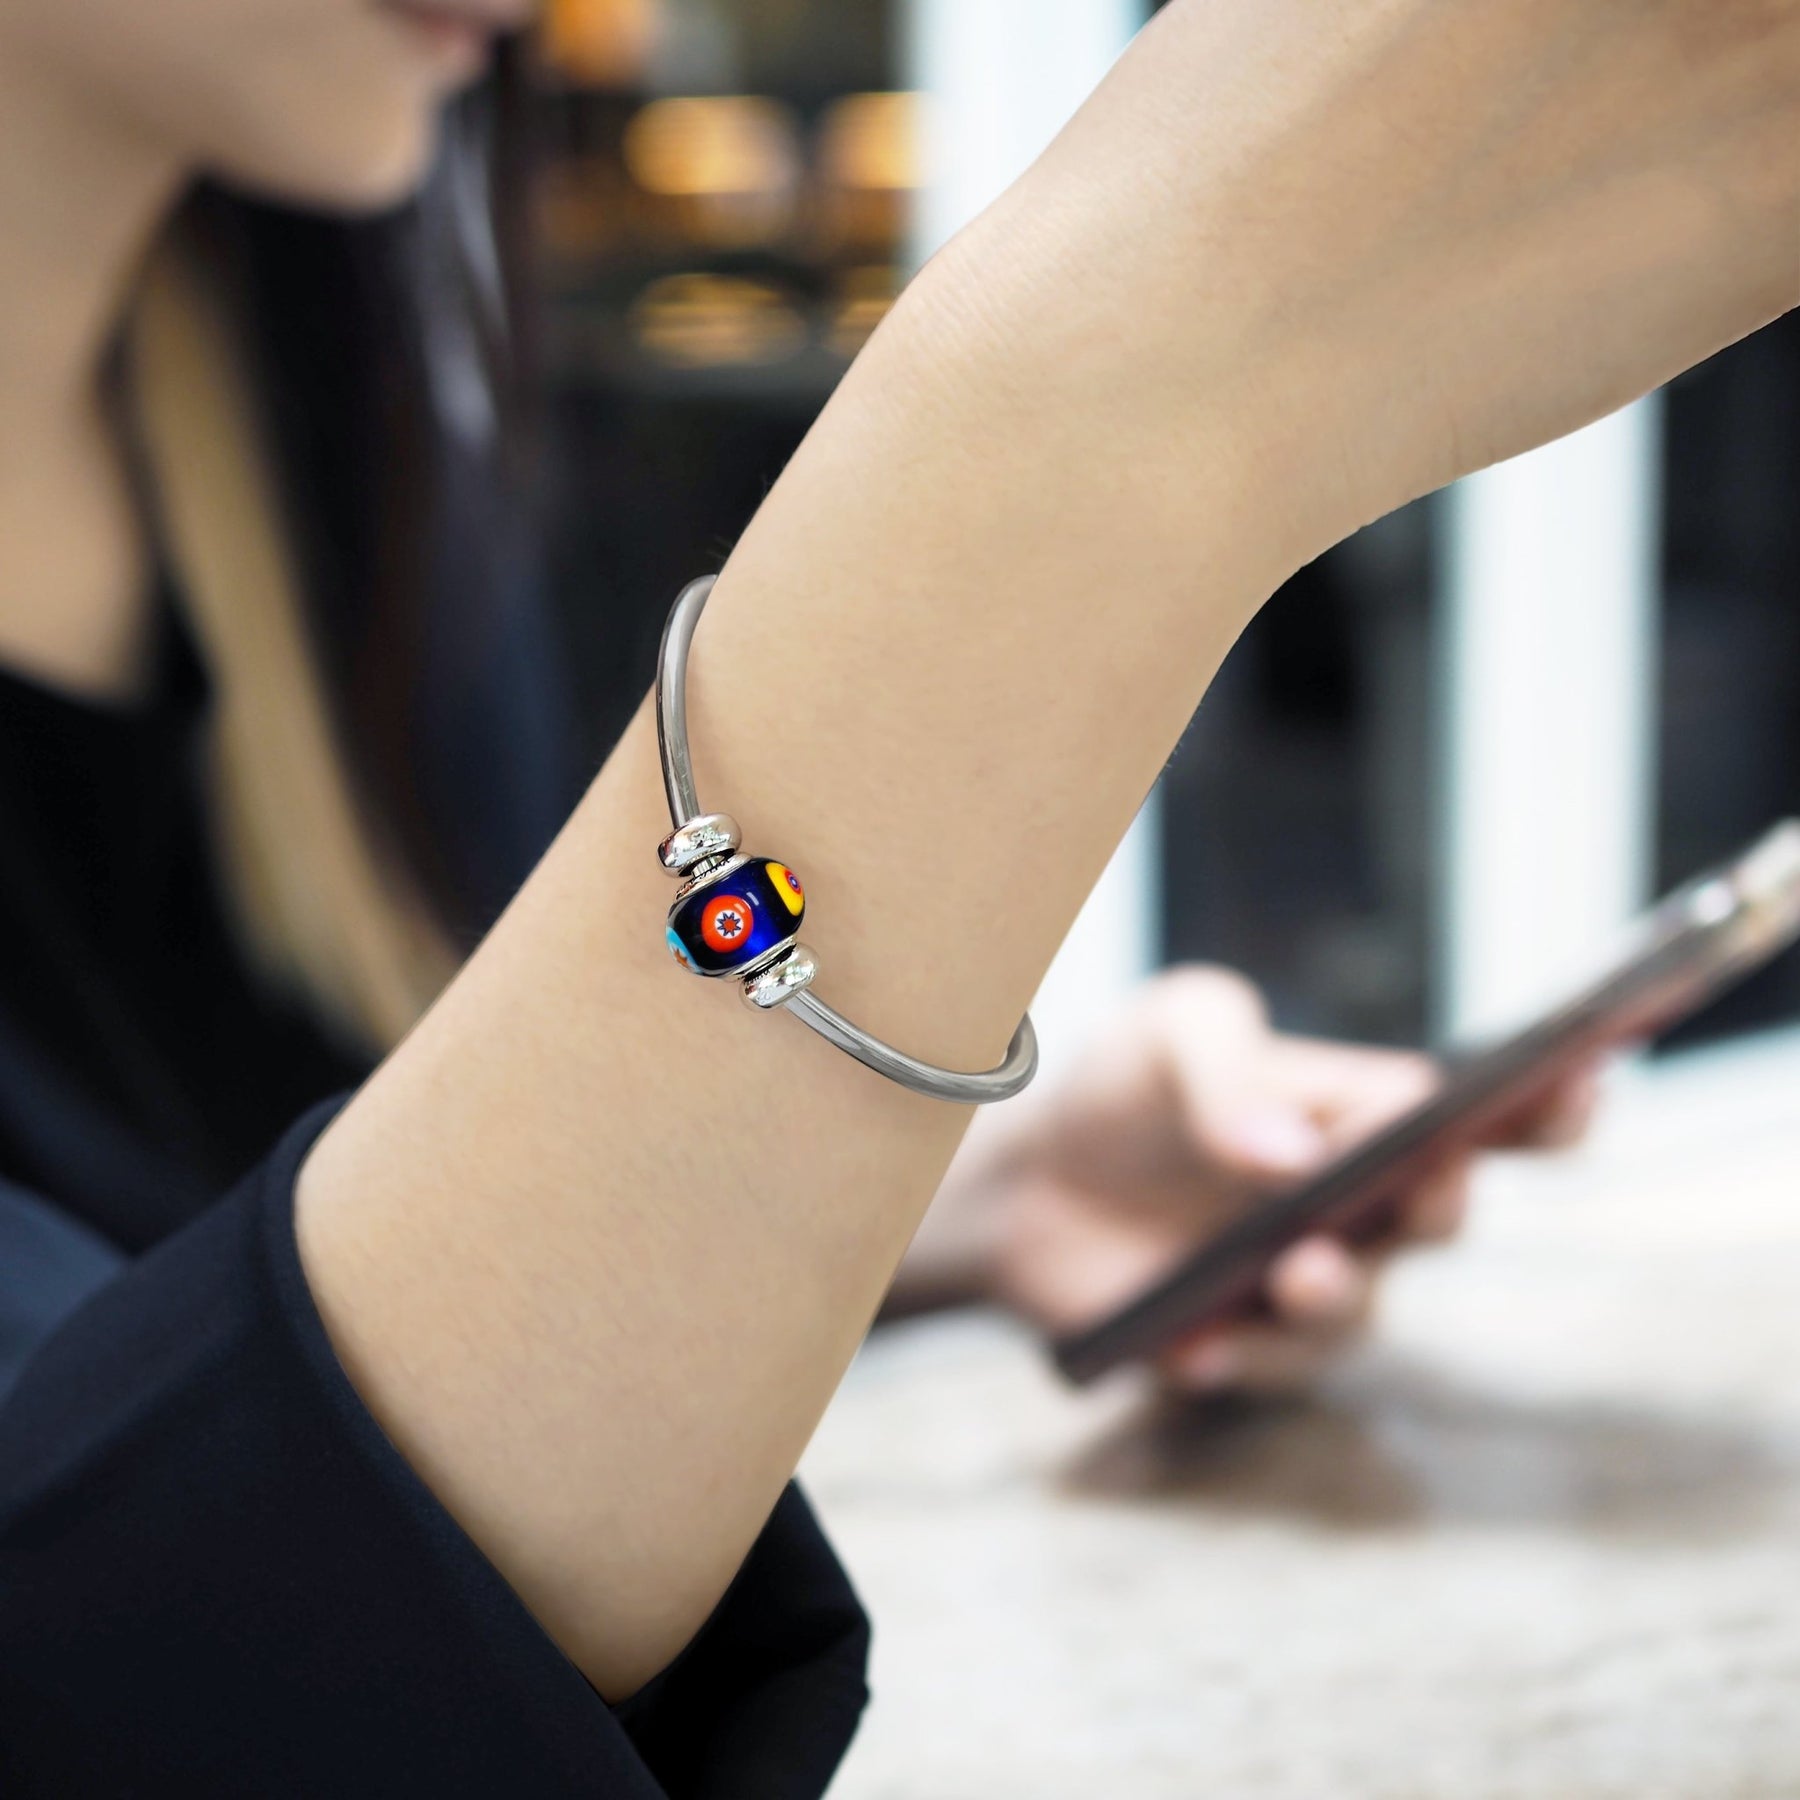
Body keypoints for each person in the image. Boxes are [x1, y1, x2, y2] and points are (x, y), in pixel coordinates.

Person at [0, 0, 1791, 1793]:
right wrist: (1129, 377)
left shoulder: (335, 445)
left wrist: (963, 1197)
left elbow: (288, 1257)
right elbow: (150, 1677)